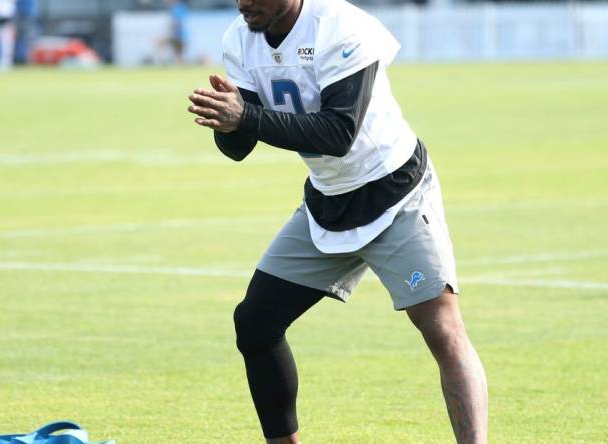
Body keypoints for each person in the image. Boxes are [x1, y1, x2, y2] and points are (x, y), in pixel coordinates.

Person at [187, 0, 489, 441]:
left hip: (395, 193)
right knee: (255, 324)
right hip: (328, 202)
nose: (242, 3)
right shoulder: (241, 36)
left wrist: (245, 116)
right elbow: (239, 148)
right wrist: (227, 122)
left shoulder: (340, 25)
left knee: (442, 329)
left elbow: (338, 134)